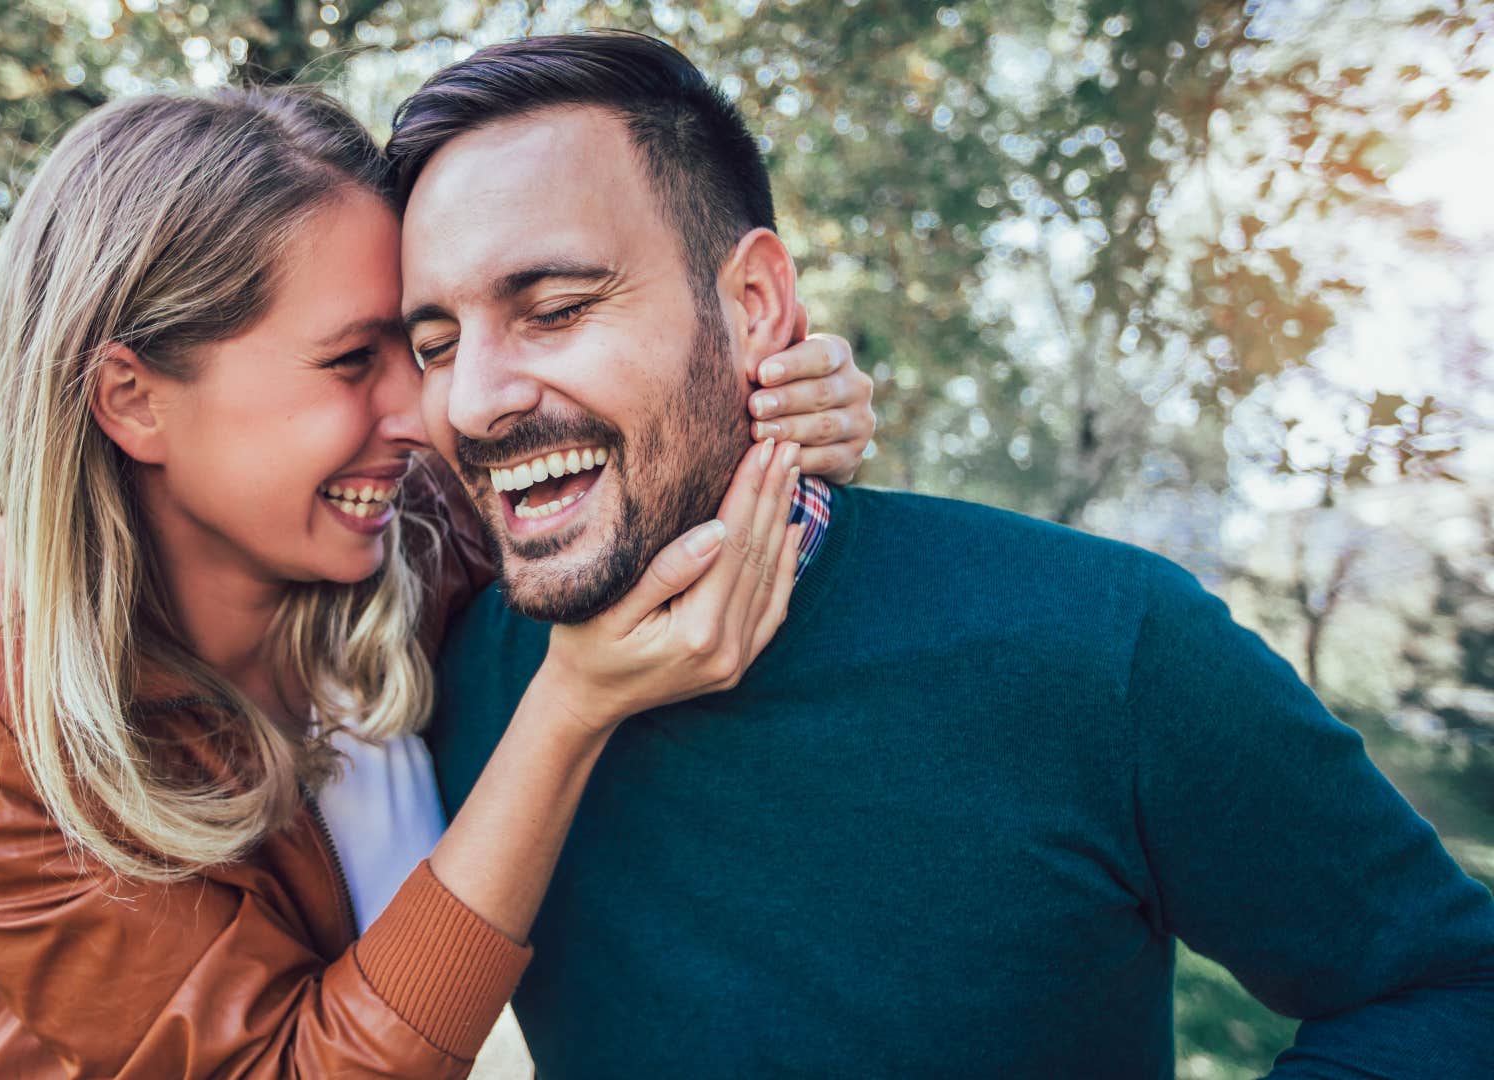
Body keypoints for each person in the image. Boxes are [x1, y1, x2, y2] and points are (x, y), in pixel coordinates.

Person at [392, 32, 1494, 1078]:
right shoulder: (448, 685)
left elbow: (1452, 986)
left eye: (557, 308)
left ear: (757, 305)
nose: (478, 401)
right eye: (436, 345)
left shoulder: (1103, 647)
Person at [0, 88, 874, 1076]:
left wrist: (782, 391)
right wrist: (567, 710)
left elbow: (643, 449)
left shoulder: (420, 531)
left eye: (415, 348)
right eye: (348, 362)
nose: (430, 413)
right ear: (134, 399)